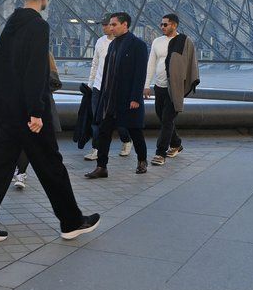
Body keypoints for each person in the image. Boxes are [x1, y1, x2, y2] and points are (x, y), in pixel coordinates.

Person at [0, 0, 99, 245]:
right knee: (51, 165)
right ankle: (71, 222)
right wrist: (36, 112)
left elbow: (4, 71)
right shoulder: (38, 26)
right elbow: (34, 73)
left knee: (0, 167)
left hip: (7, 110)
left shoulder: (10, 25)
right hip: (28, 115)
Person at [85, 12, 150, 177]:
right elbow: (107, 72)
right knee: (104, 132)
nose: (110, 27)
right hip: (110, 98)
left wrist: (135, 97)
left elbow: (140, 73)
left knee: (135, 132)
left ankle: (142, 160)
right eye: (110, 24)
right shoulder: (113, 45)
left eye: (114, 24)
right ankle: (102, 167)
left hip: (128, 98)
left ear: (125, 25)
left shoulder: (138, 45)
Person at [145, 13, 200, 165]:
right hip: (159, 86)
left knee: (167, 120)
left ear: (174, 25)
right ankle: (176, 144)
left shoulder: (185, 41)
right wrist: (146, 86)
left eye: (165, 24)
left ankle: (160, 153)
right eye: (161, 24)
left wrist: (186, 84)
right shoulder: (157, 41)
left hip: (174, 88)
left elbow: (191, 64)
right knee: (163, 118)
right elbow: (151, 64)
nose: (162, 27)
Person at [84, 16, 132, 160]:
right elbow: (95, 64)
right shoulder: (99, 41)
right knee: (96, 119)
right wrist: (90, 84)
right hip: (98, 86)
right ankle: (96, 148)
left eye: (106, 24)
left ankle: (126, 140)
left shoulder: (124, 43)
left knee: (118, 119)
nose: (104, 27)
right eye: (102, 25)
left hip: (115, 88)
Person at [15, 52, 63, 189]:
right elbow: (55, 82)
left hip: (23, 106)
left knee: (25, 141)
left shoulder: (16, 53)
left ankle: (20, 172)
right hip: (42, 107)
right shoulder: (46, 54)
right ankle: (21, 173)